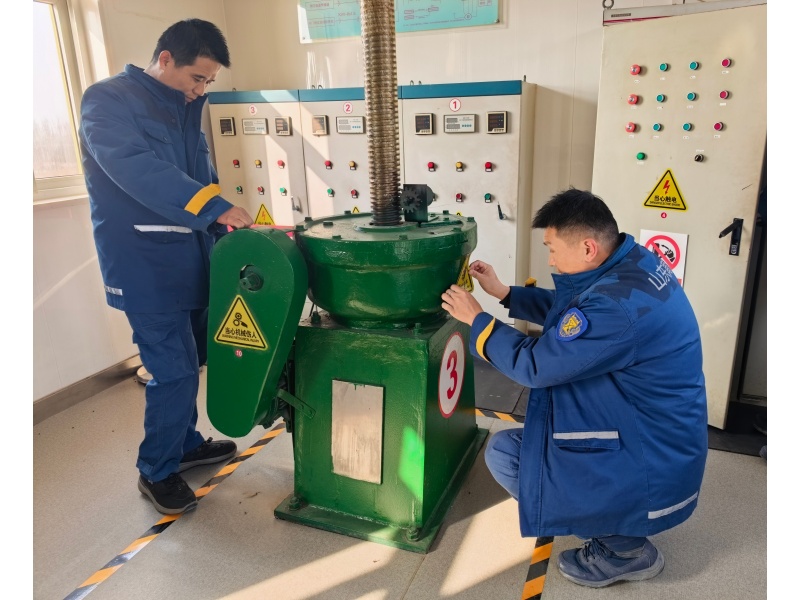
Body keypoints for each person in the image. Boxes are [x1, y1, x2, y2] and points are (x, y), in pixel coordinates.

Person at [441, 188, 708, 588]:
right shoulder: (633, 264)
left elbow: (535, 365)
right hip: (657, 431)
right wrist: (505, 293)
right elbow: (577, 313)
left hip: (650, 454)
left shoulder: (616, 307)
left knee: (507, 455)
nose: (550, 260)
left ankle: (625, 551)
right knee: (534, 437)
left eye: (552, 249)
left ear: (587, 248)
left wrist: (478, 320)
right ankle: (618, 529)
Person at [79, 19, 254, 515]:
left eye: (208, 82)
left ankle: (186, 444)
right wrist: (215, 208)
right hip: (145, 267)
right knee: (173, 371)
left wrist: (224, 229)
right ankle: (155, 469)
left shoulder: (184, 108)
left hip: (192, 262)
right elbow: (139, 171)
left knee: (190, 361)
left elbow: (202, 180)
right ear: (165, 58)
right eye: (197, 78)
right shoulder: (107, 101)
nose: (200, 89)